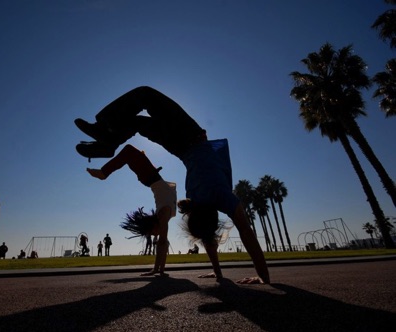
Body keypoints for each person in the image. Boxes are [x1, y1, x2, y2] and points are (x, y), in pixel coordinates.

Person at [75, 86, 269, 284]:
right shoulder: (194, 198)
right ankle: (107, 142)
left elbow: (243, 231)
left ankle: (105, 136)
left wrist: (258, 275)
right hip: (178, 146)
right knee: (136, 123)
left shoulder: (220, 197)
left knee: (145, 95)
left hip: (188, 135)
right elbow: (209, 235)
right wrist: (258, 277)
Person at [87, 144, 176, 275]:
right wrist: (159, 270)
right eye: (153, 233)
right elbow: (163, 243)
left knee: (128, 152)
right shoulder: (163, 216)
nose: (155, 235)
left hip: (151, 177)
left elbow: (163, 243)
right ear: (154, 225)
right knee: (129, 152)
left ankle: (103, 172)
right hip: (151, 176)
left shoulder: (163, 214)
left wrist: (158, 270)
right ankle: (103, 173)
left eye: (152, 234)